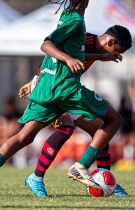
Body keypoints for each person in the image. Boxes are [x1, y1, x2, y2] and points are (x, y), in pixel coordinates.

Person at [0, 0, 121, 199]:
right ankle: (81, 166)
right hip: (65, 88)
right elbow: (46, 44)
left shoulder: (68, 15)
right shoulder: (75, 20)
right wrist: (68, 61)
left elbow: (72, 50)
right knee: (114, 120)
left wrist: (100, 57)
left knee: (25, 136)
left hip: (48, 89)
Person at [19, 25, 132, 197]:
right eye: (117, 51)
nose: (115, 56)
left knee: (101, 133)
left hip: (67, 92)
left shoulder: (96, 47)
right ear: (111, 41)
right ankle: (36, 177)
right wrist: (35, 81)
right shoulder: (83, 39)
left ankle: (105, 178)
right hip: (57, 92)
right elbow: (51, 57)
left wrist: (34, 80)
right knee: (32, 135)